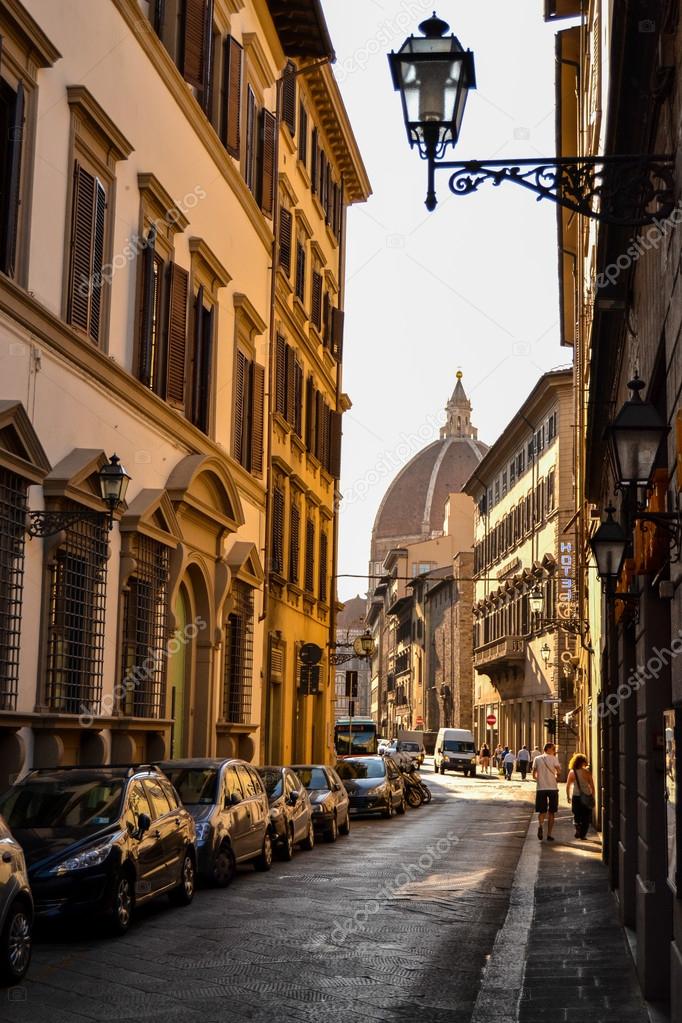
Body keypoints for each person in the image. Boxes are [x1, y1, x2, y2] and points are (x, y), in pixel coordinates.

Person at [533, 741, 561, 841]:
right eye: (553, 749)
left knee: (542, 811)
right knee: (552, 812)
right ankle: (549, 834)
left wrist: (540, 780)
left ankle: (540, 826)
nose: (554, 751)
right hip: (553, 788)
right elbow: (559, 772)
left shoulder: (537, 759)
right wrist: (555, 777)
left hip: (541, 788)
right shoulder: (554, 759)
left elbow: (534, 774)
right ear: (548, 749)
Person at [566, 752, 595, 839]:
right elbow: (592, 786)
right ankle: (583, 835)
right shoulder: (587, 772)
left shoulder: (572, 772)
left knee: (576, 814)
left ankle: (577, 826)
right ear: (583, 762)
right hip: (586, 796)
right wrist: (592, 796)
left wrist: (568, 796)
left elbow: (568, 785)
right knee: (586, 816)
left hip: (576, 796)